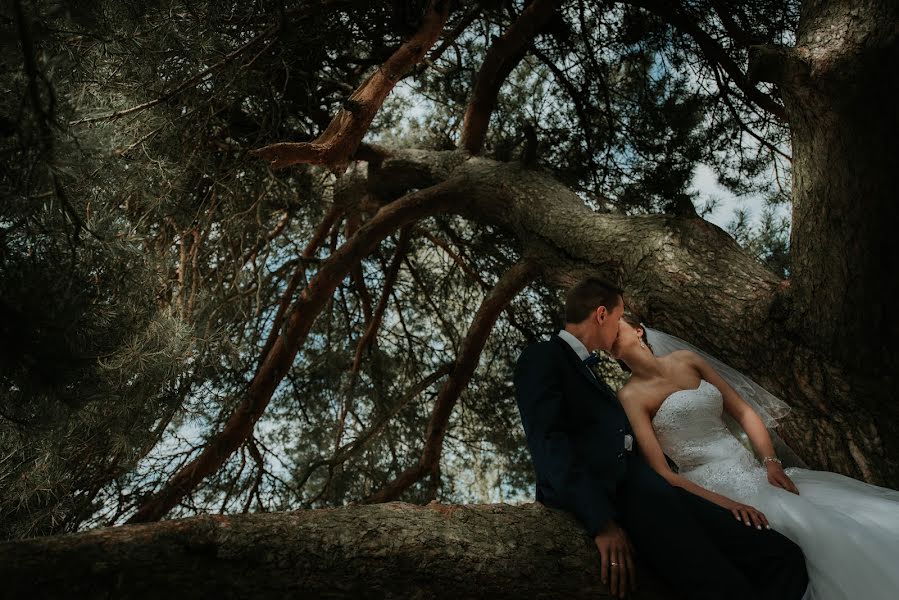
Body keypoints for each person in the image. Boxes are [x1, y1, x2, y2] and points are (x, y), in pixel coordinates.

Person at [513, 277, 808, 600]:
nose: (619, 326)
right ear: (602, 315)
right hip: (633, 500)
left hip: (657, 489)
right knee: (725, 586)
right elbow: (549, 443)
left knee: (783, 555)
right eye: (619, 315)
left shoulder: (590, 372)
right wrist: (601, 522)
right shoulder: (543, 357)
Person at [610, 315, 899, 600]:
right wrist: (727, 505)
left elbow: (745, 412)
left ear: (638, 331)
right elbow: (665, 474)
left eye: (617, 325)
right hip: (710, 490)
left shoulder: (687, 359)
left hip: (756, 472)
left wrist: (771, 463)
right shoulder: (630, 396)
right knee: (800, 536)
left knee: (844, 524)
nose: (610, 332)